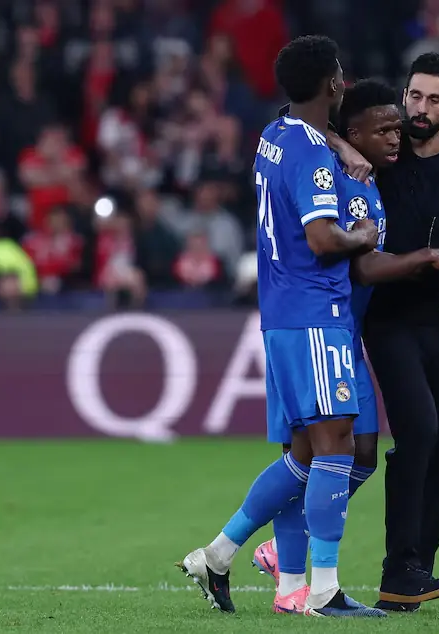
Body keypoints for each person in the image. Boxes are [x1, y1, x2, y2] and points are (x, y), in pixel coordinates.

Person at [176, 35, 386, 618]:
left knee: (303, 453)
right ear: (334, 84)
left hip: (283, 316)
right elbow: (322, 241)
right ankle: (322, 589)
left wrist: (336, 141)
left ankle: (218, 554)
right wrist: (362, 237)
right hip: (316, 313)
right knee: (335, 445)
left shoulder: (276, 137)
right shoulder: (314, 157)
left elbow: (298, 130)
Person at [248, 78, 439, 614]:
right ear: (348, 129)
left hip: (336, 328)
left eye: (398, 127)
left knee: (351, 452)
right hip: (317, 322)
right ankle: (291, 572)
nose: (395, 137)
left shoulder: (364, 166)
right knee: (321, 451)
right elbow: (358, 262)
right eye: (384, 129)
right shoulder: (336, 171)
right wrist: (422, 258)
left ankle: (262, 553)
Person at [329, 53, 439, 612]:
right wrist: (349, 148)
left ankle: (414, 571)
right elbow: (309, 126)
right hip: (390, 316)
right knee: (419, 429)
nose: (419, 109)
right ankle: (398, 564)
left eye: (433, 100)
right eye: (414, 96)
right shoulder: (382, 154)